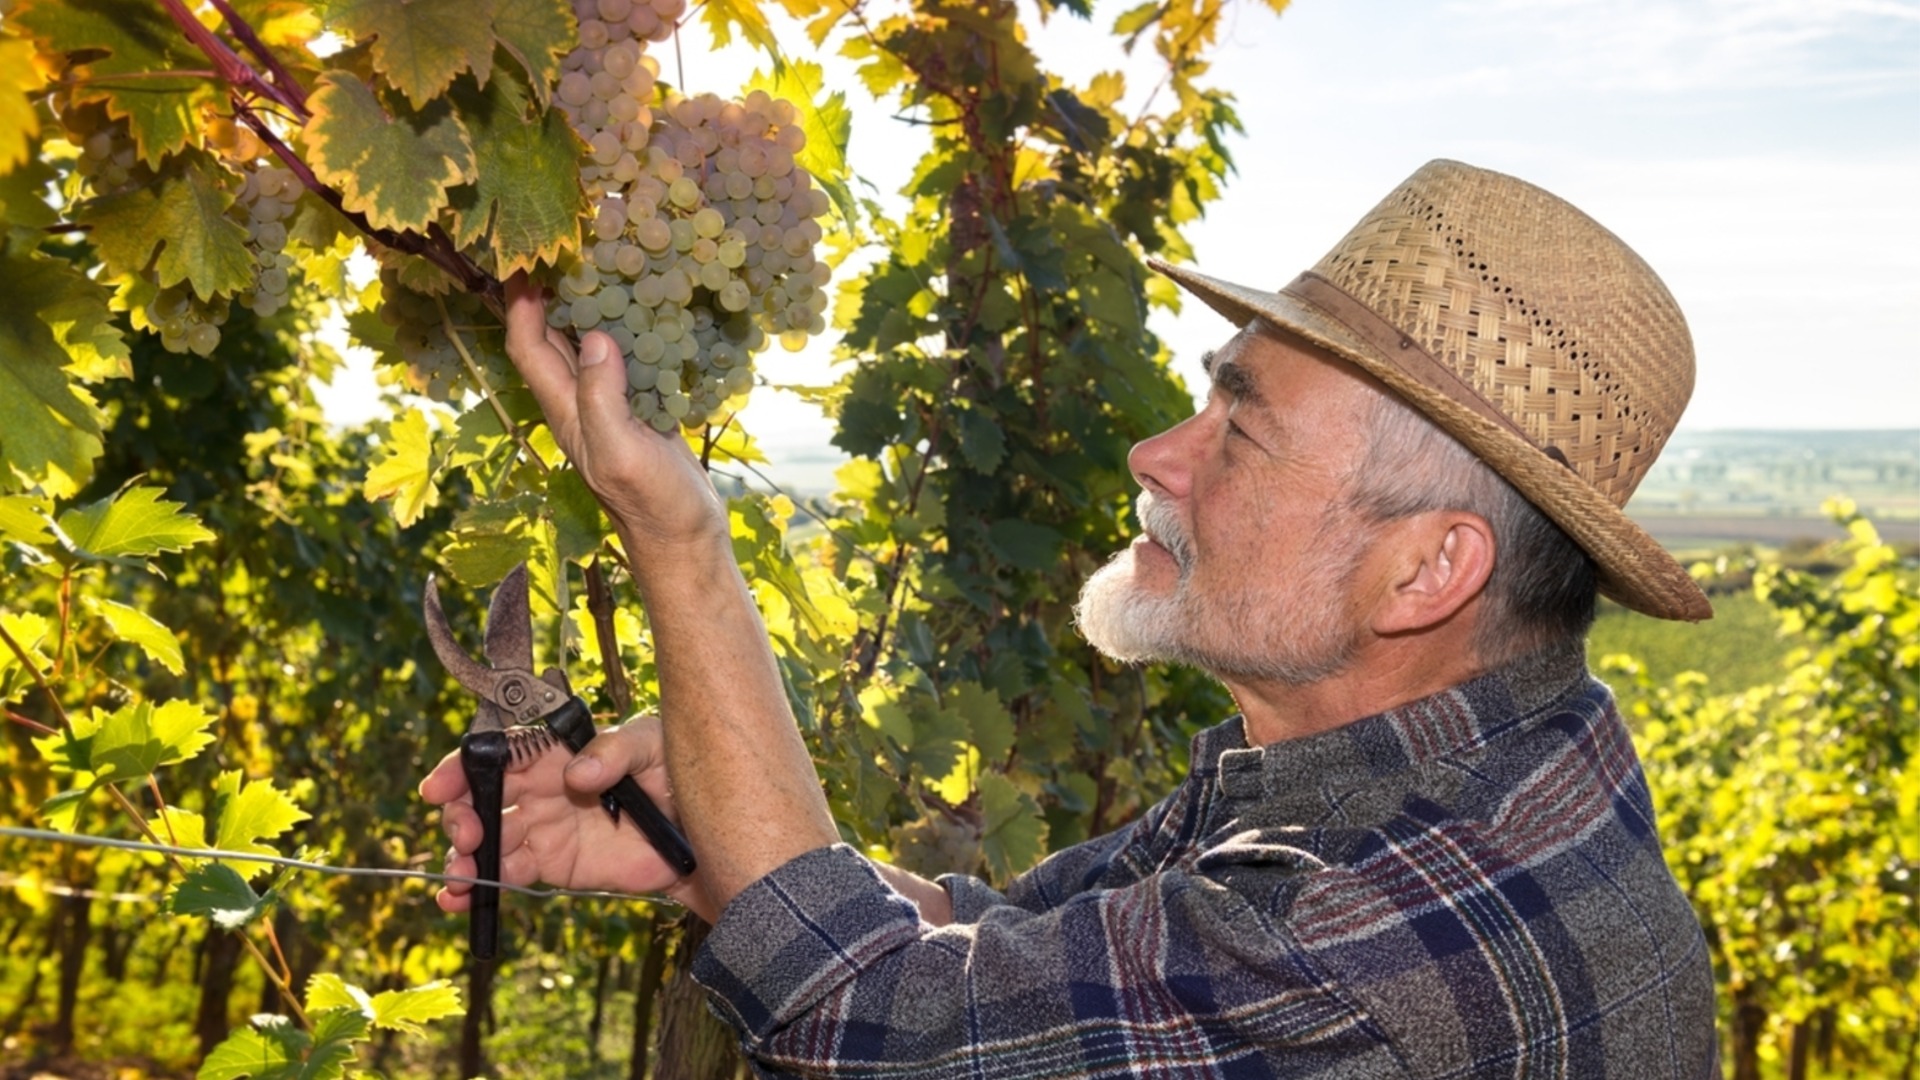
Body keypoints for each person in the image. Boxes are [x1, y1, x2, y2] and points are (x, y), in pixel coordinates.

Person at [421, 159, 1721, 1076]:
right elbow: (1008, 952)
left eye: (1242, 428)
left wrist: (677, 531)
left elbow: (862, 1019)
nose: (1160, 453)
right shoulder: (1480, 766)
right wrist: (697, 847)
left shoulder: (1357, 928)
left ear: (1428, 572)